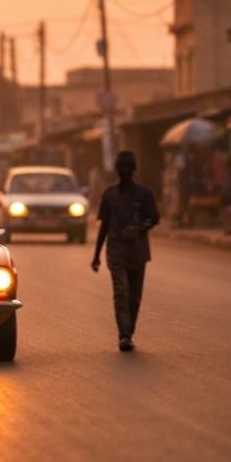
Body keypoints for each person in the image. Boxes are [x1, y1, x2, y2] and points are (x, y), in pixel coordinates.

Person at [91, 151, 159, 352]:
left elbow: (154, 218)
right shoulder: (109, 195)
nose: (125, 172)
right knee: (121, 292)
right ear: (117, 170)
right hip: (116, 251)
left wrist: (138, 229)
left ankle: (129, 333)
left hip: (138, 252)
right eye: (122, 168)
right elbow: (104, 227)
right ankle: (124, 335)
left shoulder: (144, 194)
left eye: (129, 168)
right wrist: (96, 256)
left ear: (134, 170)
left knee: (134, 297)